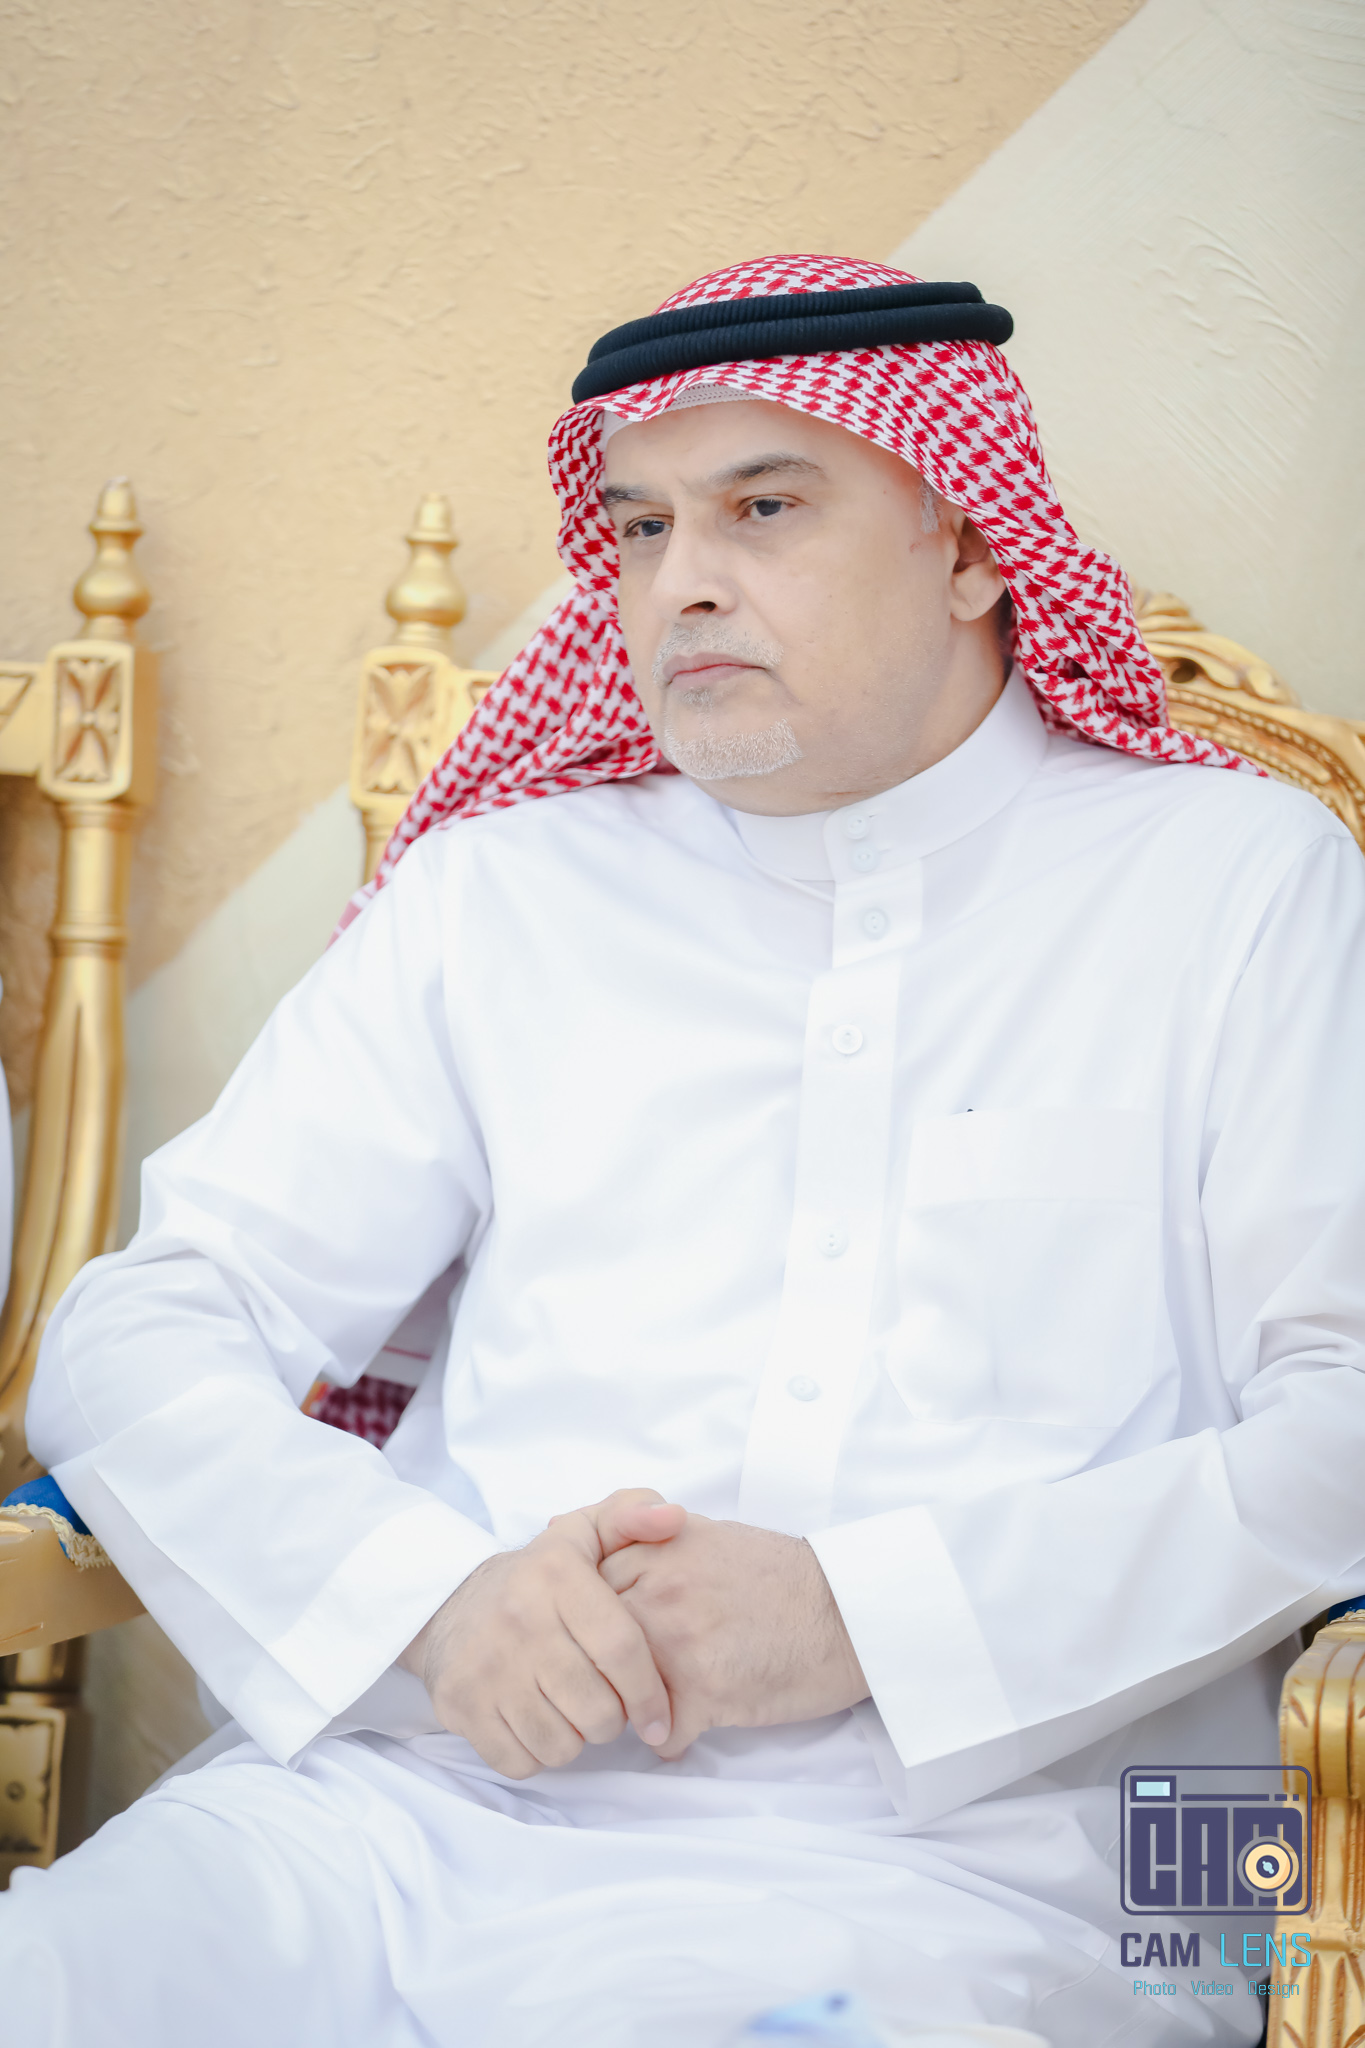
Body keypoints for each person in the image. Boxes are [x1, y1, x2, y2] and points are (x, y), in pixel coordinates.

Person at [3, 253, 1363, 2048]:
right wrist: (433, 1607)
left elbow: (1344, 1424)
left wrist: (863, 1619)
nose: (680, 582)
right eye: (640, 528)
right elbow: (141, 1326)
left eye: (763, 508)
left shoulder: (1234, 881)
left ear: (971, 543)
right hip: (418, 1811)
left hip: (1021, 1864)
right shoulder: (502, 892)